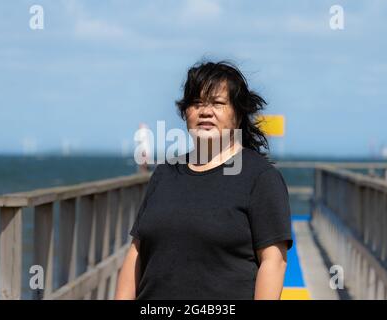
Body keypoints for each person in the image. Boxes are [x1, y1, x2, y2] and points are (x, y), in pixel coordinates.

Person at [115, 60, 293, 300]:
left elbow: (273, 262)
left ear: (238, 115)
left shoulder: (260, 177)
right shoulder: (165, 173)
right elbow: (137, 251)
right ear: (185, 112)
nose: (205, 111)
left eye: (218, 103)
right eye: (197, 103)